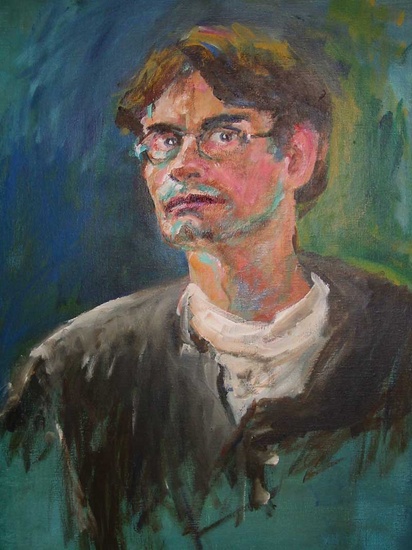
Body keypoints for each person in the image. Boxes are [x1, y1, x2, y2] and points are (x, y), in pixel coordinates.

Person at [2, 23, 412, 549]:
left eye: (223, 135)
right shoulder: (71, 372)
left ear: (298, 156)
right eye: (164, 141)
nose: (183, 166)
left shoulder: (398, 343)